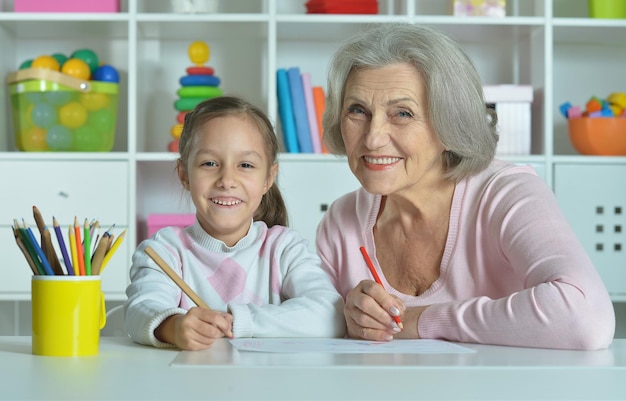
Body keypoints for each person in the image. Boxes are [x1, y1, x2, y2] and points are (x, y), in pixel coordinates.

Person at [316, 22, 615, 350]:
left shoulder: (505, 194)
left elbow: (587, 318)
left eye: (402, 113)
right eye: (357, 110)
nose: (372, 138)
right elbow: (316, 332)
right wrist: (348, 318)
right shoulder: (340, 221)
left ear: (449, 124)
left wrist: (420, 320)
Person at [125, 96, 346, 350]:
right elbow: (138, 310)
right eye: (209, 163)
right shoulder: (164, 249)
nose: (227, 180)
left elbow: (330, 315)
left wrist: (239, 321)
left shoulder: (285, 248)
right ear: (184, 174)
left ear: (268, 178)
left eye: (245, 165)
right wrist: (173, 326)